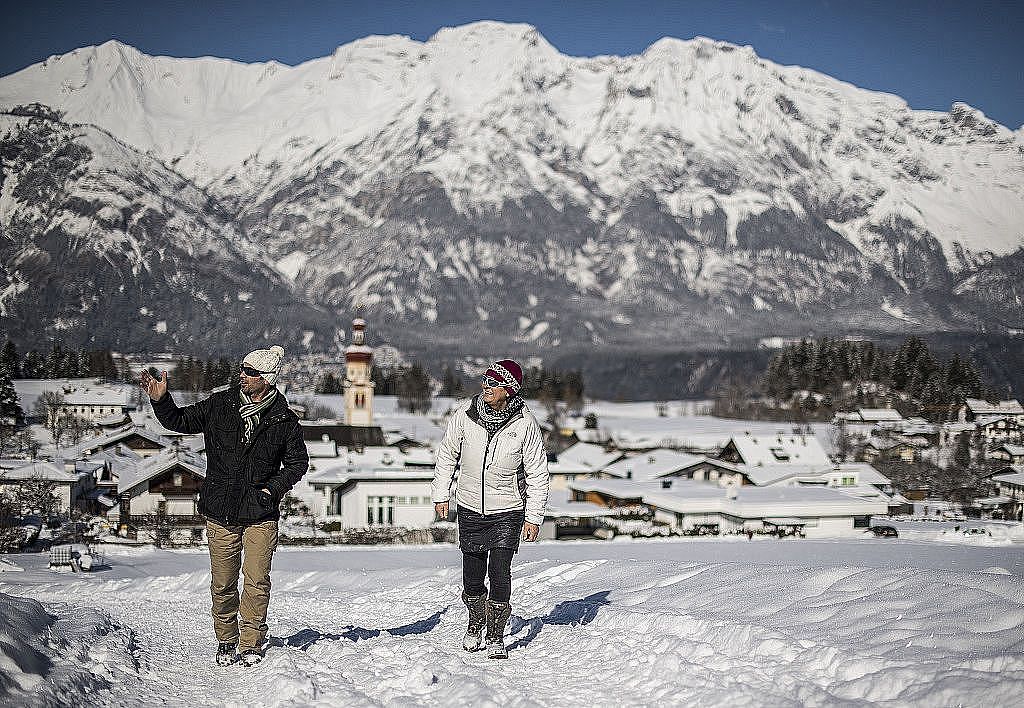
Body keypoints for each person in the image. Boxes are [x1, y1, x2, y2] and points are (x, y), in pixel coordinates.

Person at [140, 345, 309, 667]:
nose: (242, 376)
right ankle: (227, 639)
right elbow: (179, 420)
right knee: (223, 582)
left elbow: (298, 463)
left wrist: (271, 491)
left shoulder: (284, 420)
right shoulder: (220, 405)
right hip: (220, 509)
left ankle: (251, 642)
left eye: (251, 372)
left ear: (268, 379)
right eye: (242, 369)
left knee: (257, 581)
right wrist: (161, 399)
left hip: (261, 512)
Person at [431, 359, 549, 659]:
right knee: (472, 577)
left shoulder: (524, 424)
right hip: (470, 507)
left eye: (494, 383)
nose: (487, 386)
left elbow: (537, 472)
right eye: (486, 380)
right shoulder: (465, 415)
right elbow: (447, 454)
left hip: (508, 510)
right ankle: (475, 621)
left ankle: (496, 635)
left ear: (509, 390)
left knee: (499, 572)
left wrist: (533, 516)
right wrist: (441, 493)